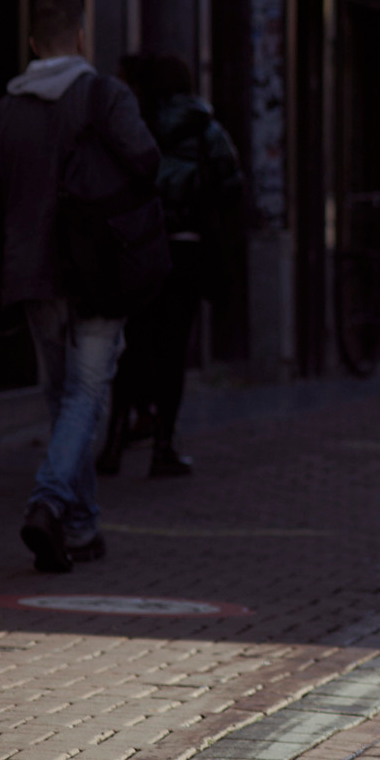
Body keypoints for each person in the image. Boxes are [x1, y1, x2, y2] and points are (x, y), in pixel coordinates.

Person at [0, 0, 160, 574]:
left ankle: (81, 524)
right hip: (99, 271)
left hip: (31, 274)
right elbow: (146, 162)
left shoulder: (1, 114)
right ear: (84, 38)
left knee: (64, 396)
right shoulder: (106, 95)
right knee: (86, 396)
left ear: (31, 46)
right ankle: (48, 502)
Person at [102, 55, 241, 477]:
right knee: (173, 350)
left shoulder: (126, 126)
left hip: (134, 250)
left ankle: (113, 441)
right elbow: (233, 192)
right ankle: (163, 444)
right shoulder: (206, 131)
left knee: (130, 346)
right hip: (184, 251)